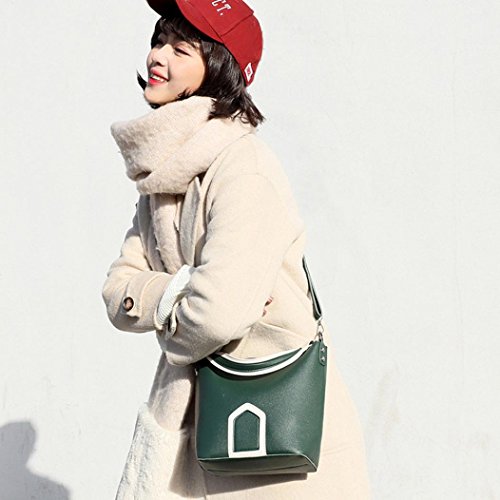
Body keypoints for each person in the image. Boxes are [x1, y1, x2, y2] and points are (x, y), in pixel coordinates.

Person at [102, 0, 371, 498]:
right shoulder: (160, 182)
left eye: (181, 49)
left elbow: (216, 314)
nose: (158, 56)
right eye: (159, 41)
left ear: (218, 69)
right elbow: (117, 292)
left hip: (270, 439)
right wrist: (183, 290)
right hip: (194, 424)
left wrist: (169, 307)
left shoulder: (243, 169)